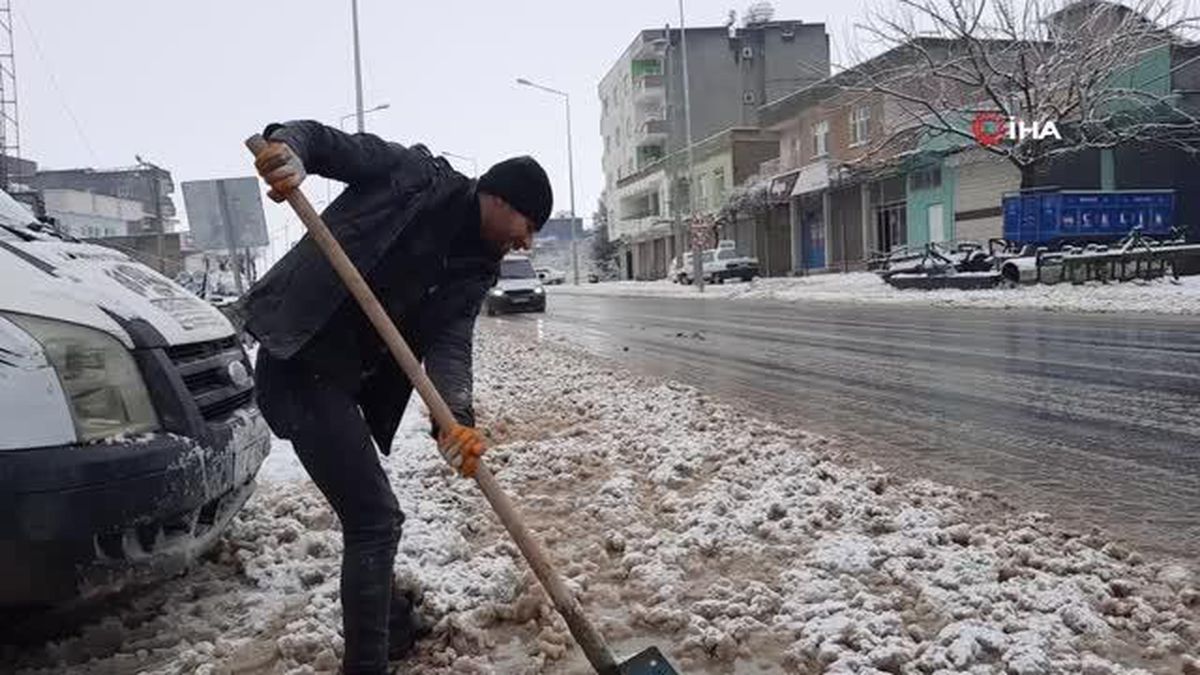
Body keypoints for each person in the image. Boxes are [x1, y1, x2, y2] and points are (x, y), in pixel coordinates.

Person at [240, 120, 552, 674]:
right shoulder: (414, 178)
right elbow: (332, 145)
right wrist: (291, 150)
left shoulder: (477, 268)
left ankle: (392, 625)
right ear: (500, 199)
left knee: (370, 515)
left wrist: (454, 421)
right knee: (375, 521)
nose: (526, 242)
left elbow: (451, 346)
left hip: (342, 382)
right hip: (299, 359)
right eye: (528, 225)